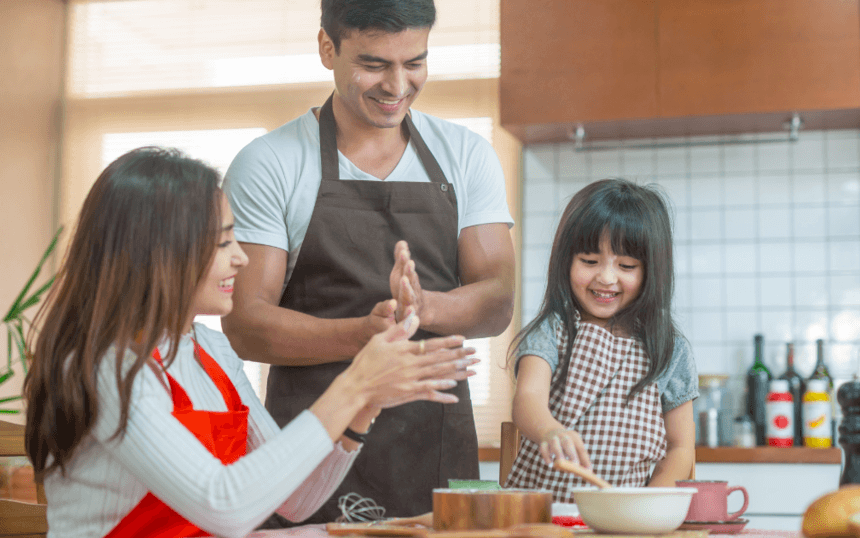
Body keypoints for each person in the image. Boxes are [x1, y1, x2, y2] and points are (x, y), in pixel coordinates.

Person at [23, 147, 477, 538]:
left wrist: (365, 406)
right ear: (159, 253)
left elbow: (296, 502)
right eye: (222, 244)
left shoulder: (211, 351)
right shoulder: (108, 365)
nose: (240, 257)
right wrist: (354, 384)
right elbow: (225, 506)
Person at [220, 0, 515, 523]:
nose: (397, 86)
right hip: (310, 444)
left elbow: (496, 301)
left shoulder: (466, 154)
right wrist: (367, 335)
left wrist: (426, 306)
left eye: (415, 63)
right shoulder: (272, 162)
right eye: (374, 64)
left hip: (436, 446)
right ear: (326, 48)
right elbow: (247, 324)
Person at [503, 179, 698, 503]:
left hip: (624, 519)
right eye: (590, 261)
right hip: (541, 514)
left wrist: (647, 507)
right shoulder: (552, 330)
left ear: (652, 271)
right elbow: (527, 400)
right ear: (565, 260)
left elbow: (680, 447)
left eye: (626, 266)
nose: (606, 278)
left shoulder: (668, 348)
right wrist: (549, 430)